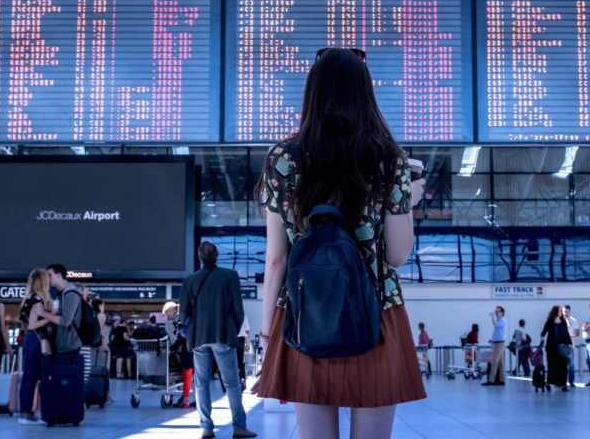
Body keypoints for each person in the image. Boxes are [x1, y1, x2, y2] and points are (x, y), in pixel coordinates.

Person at [251, 48, 427, 439]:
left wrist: (267, 336)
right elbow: (398, 256)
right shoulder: (390, 159)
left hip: (304, 312)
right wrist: (406, 203)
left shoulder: (283, 157)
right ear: (365, 93)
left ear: (312, 92)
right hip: (377, 313)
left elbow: (277, 260)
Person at [180, 241, 255, 439]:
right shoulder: (230, 276)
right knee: (231, 383)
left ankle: (206, 428)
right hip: (223, 335)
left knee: (201, 384)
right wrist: (232, 330)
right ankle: (239, 427)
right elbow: (238, 310)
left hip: (198, 338)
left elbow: (183, 314)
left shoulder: (189, 280)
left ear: (199, 258)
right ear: (218, 255)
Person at [18, 270, 51, 426]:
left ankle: (24, 412)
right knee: (32, 378)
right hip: (37, 340)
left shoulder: (27, 299)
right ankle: (26, 415)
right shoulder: (38, 299)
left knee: (26, 378)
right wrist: (50, 316)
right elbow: (33, 325)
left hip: (28, 340)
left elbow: (25, 324)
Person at [32, 264, 82, 356]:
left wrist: (42, 313)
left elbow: (66, 321)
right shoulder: (60, 294)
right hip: (61, 346)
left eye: (49, 275)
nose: (47, 278)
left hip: (69, 347)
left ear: (58, 275)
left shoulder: (71, 294)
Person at [163, 301, 196, 409]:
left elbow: (182, 334)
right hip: (195, 345)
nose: (168, 316)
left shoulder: (179, 316)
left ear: (172, 310)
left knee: (187, 373)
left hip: (187, 347)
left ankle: (185, 399)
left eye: (168, 313)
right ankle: (188, 398)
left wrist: (173, 347)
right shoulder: (186, 313)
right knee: (191, 373)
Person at [540, 306, 573, 392]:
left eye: (561, 311)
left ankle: (563, 384)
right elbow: (543, 332)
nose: (561, 312)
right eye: (559, 311)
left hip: (562, 347)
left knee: (563, 366)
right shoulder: (549, 322)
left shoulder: (563, 322)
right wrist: (542, 337)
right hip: (551, 348)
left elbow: (566, 334)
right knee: (552, 366)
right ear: (555, 312)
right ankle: (549, 382)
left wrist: (571, 344)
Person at [483, 306, 507, 386]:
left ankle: (491, 380)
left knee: (494, 362)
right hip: (497, 343)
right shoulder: (499, 320)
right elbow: (499, 333)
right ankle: (502, 380)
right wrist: (493, 339)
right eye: (495, 311)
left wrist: (492, 316)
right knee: (500, 363)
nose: (496, 312)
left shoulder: (502, 320)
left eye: (498, 311)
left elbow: (495, 325)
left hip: (499, 344)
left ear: (502, 312)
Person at [563, 305, 580, 387]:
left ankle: (571, 381)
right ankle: (561, 381)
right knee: (562, 365)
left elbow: (577, 334)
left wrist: (571, 336)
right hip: (561, 346)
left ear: (570, 311)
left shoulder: (574, 321)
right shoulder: (559, 321)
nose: (565, 313)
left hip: (570, 346)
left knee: (571, 365)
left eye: (567, 311)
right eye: (564, 311)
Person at [237, 315, 250, 390]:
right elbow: (247, 331)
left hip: (230, 340)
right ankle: (242, 380)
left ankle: (233, 382)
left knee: (231, 362)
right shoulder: (244, 316)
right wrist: (246, 345)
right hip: (241, 340)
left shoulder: (227, 313)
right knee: (240, 361)